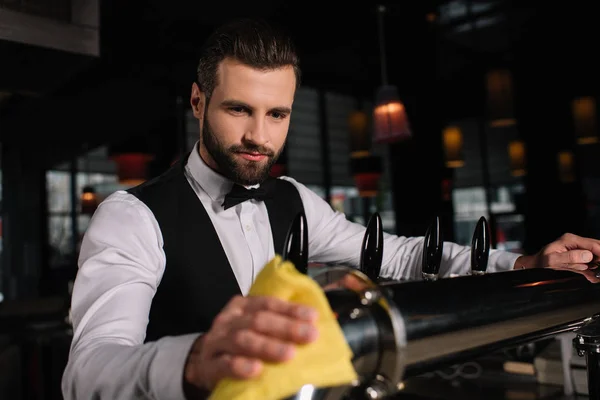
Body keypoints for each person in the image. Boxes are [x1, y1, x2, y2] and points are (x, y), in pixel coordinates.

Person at [61, 18, 600, 400]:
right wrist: (193, 362)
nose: (258, 136)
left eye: (277, 114)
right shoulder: (132, 215)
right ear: (198, 102)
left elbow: (404, 257)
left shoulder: (292, 198)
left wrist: (523, 267)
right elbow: (87, 373)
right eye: (238, 110)